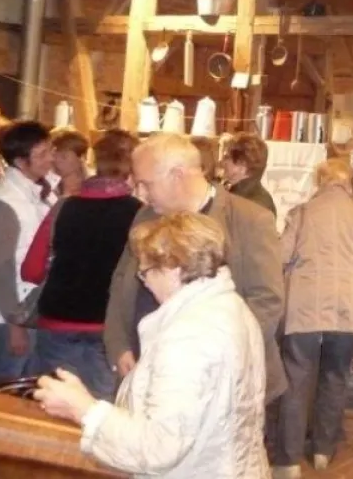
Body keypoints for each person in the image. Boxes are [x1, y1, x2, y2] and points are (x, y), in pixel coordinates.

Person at [34, 212, 270, 478]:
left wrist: (85, 410)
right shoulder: (231, 308)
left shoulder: (189, 336)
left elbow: (161, 447)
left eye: (146, 272)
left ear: (173, 268)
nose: (142, 280)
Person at [104, 133, 286, 407]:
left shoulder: (250, 220)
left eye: (145, 184)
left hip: (221, 384)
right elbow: (122, 284)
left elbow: (267, 302)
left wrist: (206, 359)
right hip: (148, 378)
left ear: (177, 175)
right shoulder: (146, 217)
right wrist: (119, 346)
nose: (138, 194)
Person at [274, 158, 353, 478]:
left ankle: (287, 459)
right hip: (346, 310)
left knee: (296, 379)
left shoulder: (300, 214)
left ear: (320, 182)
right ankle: (323, 451)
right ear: (347, 183)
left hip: (304, 309)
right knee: (335, 377)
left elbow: (280, 256)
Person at [22, 129, 142, 399]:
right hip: (109, 327)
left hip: (58, 320)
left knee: (51, 410)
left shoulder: (64, 207)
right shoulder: (140, 214)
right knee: (97, 418)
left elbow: (31, 270)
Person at [0, 120, 55, 383]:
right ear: (21, 162)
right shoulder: (3, 203)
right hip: (17, 309)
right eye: (42, 154)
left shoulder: (37, 192)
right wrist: (15, 326)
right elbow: (1, 269)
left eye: (50, 150)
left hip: (33, 306)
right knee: (8, 381)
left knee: (25, 380)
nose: (50, 159)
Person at [221, 132, 277, 217]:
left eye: (227, 158)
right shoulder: (239, 193)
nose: (222, 162)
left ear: (242, 166)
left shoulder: (252, 203)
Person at [50, 128, 90, 198]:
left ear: (81, 158)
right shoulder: (47, 187)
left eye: (63, 156)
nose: (56, 160)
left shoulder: (95, 187)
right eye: (54, 155)